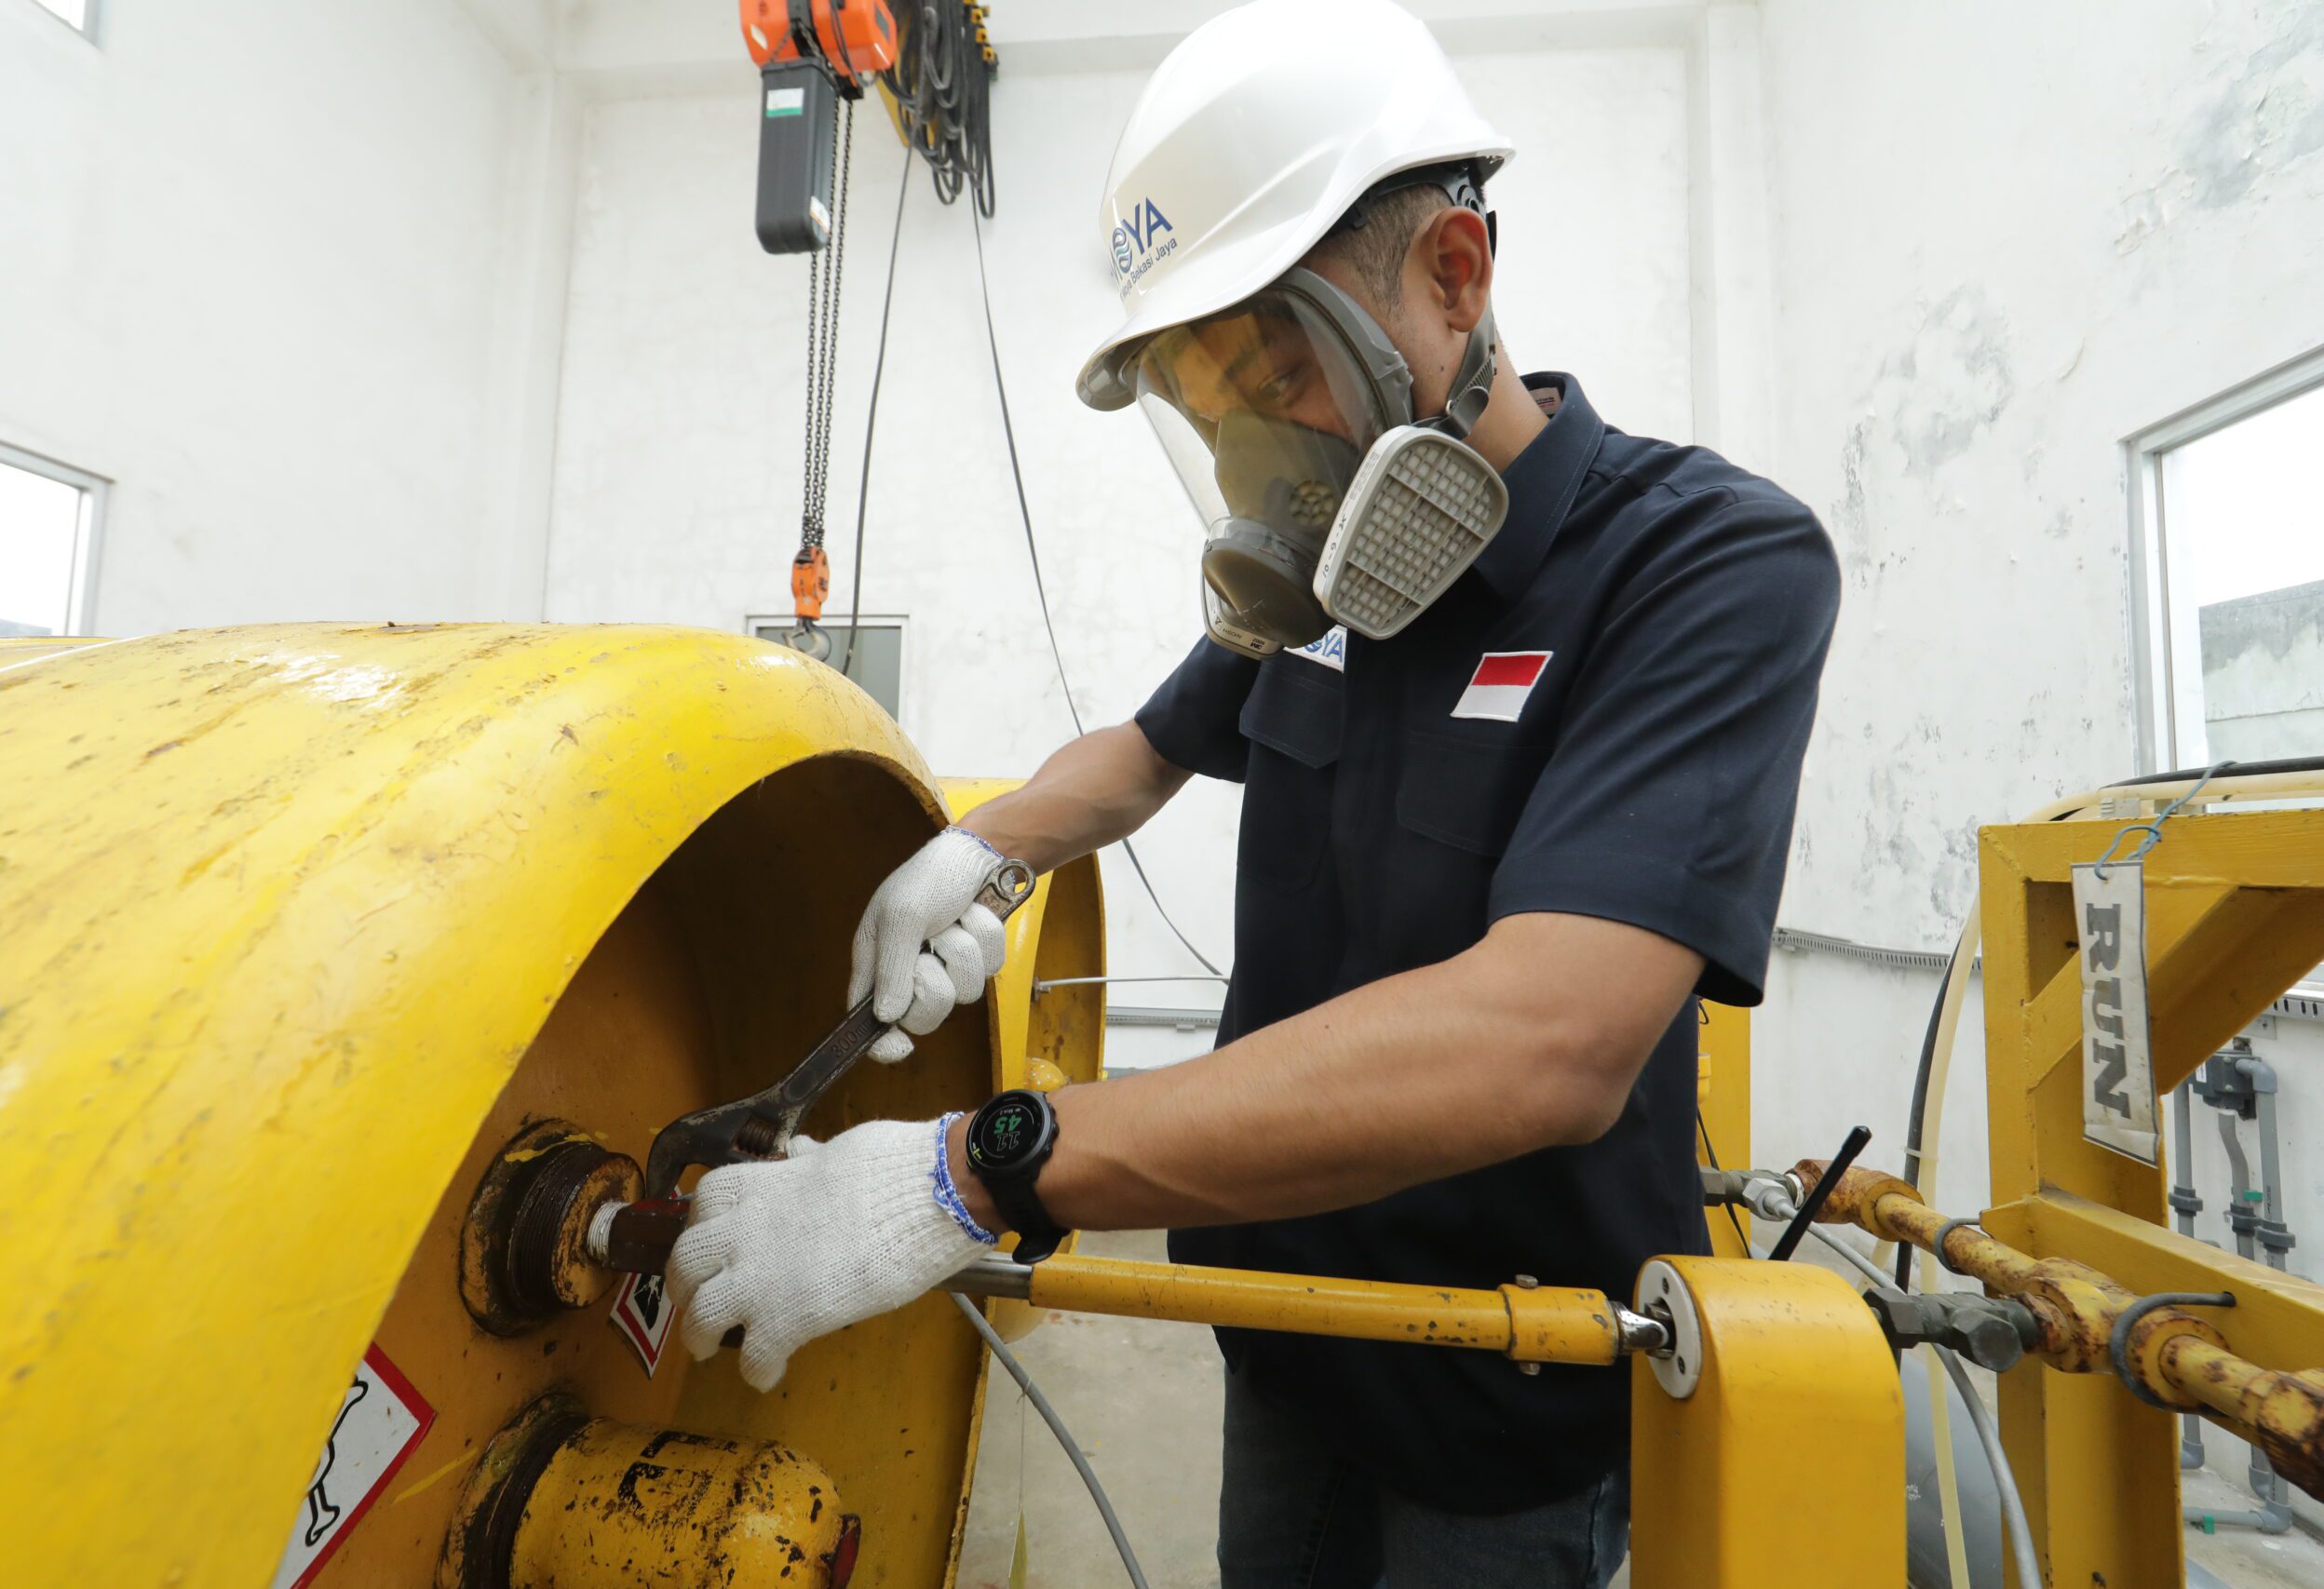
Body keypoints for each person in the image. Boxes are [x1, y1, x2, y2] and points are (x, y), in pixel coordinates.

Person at [667, 1, 1840, 1582]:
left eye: (1276, 372)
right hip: (1276, 1339)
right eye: (1205, 400)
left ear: (1455, 278)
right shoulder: (1331, 579)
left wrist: (976, 1168)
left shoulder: (1701, 562)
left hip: (1508, 1402)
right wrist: (978, 851)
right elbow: (1141, 756)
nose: (1247, 459)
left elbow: (1547, 1041)